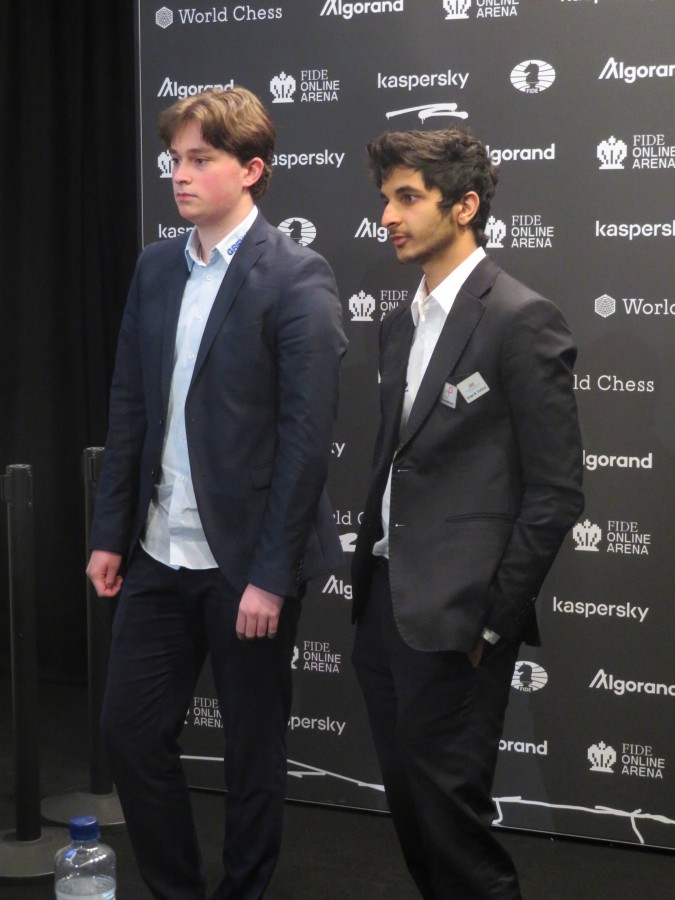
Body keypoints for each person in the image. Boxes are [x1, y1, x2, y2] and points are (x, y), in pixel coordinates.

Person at [86, 87, 346, 900]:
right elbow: (130, 405)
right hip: (157, 551)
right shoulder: (156, 266)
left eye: (201, 159)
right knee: (130, 734)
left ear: (251, 169)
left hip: (248, 565)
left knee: (251, 753)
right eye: (176, 159)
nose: (180, 174)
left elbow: (305, 440)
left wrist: (270, 575)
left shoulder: (296, 275)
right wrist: (109, 531)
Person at [351, 128, 584, 899]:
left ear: (464, 205)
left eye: (406, 198)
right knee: (416, 823)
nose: (387, 215)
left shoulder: (520, 318)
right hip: (384, 607)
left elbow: (555, 493)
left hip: (458, 622)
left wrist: (492, 623)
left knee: (455, 835)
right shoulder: (398, 323)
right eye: (385, 198)